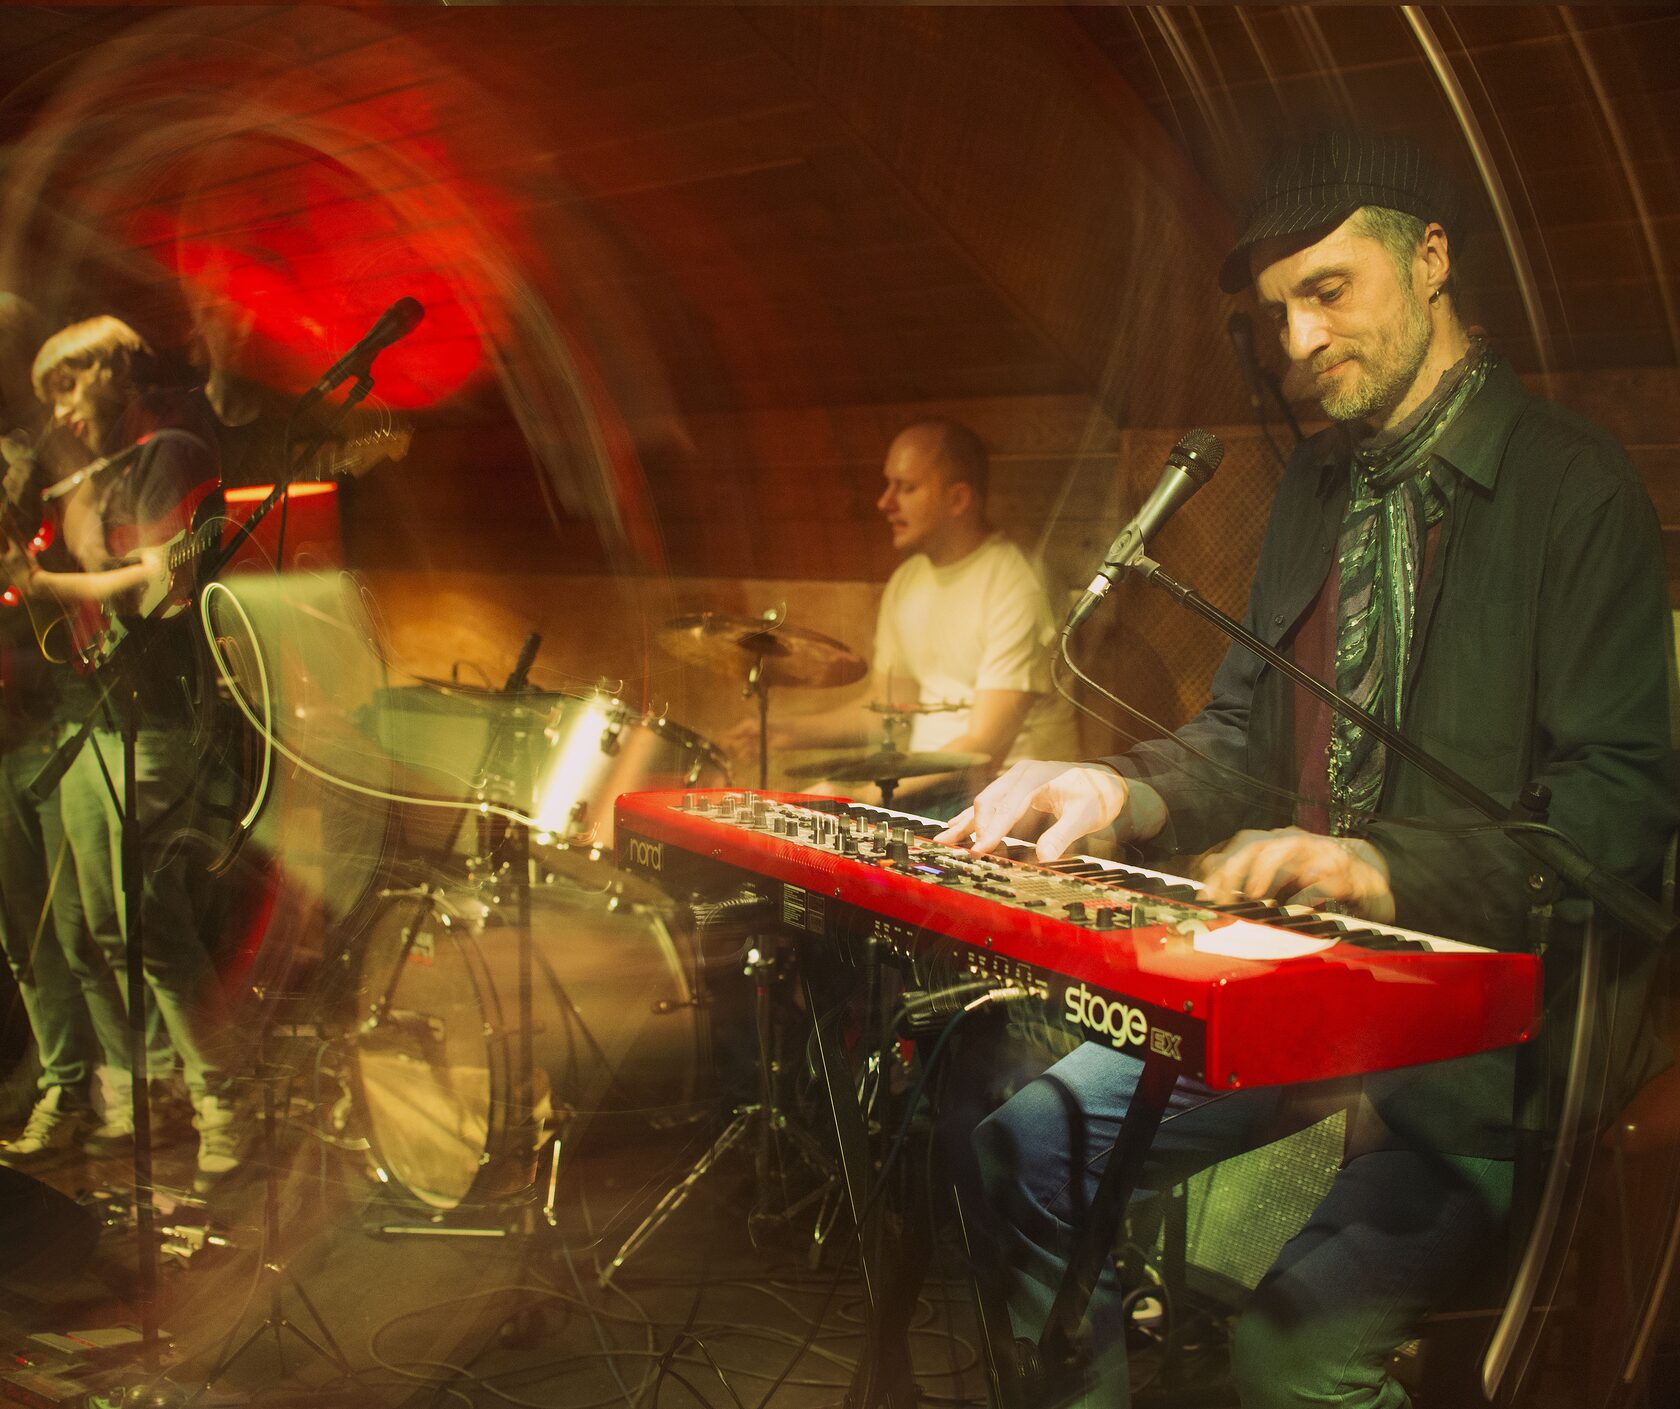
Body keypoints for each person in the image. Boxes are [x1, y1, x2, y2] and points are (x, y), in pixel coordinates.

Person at [940, 130, 1679, 1407]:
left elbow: (1619, 811)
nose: (1298, 340)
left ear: (1432, 259)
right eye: (1280, 311)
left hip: (1493, 1046)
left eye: (1328, 292)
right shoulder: (1314, 488)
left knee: (1288, 1351)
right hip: (1302, 985)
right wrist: (1121, 788)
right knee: (1022, 1153)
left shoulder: (1576, 487)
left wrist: (1383, 866)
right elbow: (1244, 731)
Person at [3, 315, 246, 1194]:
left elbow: (155, 582)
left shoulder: (169, 454)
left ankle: (224, 1102)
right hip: (89, 713)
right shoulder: (87, 475)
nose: (61, 409)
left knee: (148, 918)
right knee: (93, 926)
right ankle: (151, 1093)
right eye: (49, 397)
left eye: (70, 384)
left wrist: (43, 582)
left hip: (157, 716)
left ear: (114, 368)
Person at [728, 418, 1077, 819]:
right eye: (888, 484)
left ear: (957, 500)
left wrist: (858, 793)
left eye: (906, 487)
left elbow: (984, 745)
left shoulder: (1017, 584)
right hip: (930, 791)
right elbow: (886, 712)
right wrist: (784, 732)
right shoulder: (908, 579)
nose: (884, 502)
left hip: (1008, 800)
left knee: (827, 813)